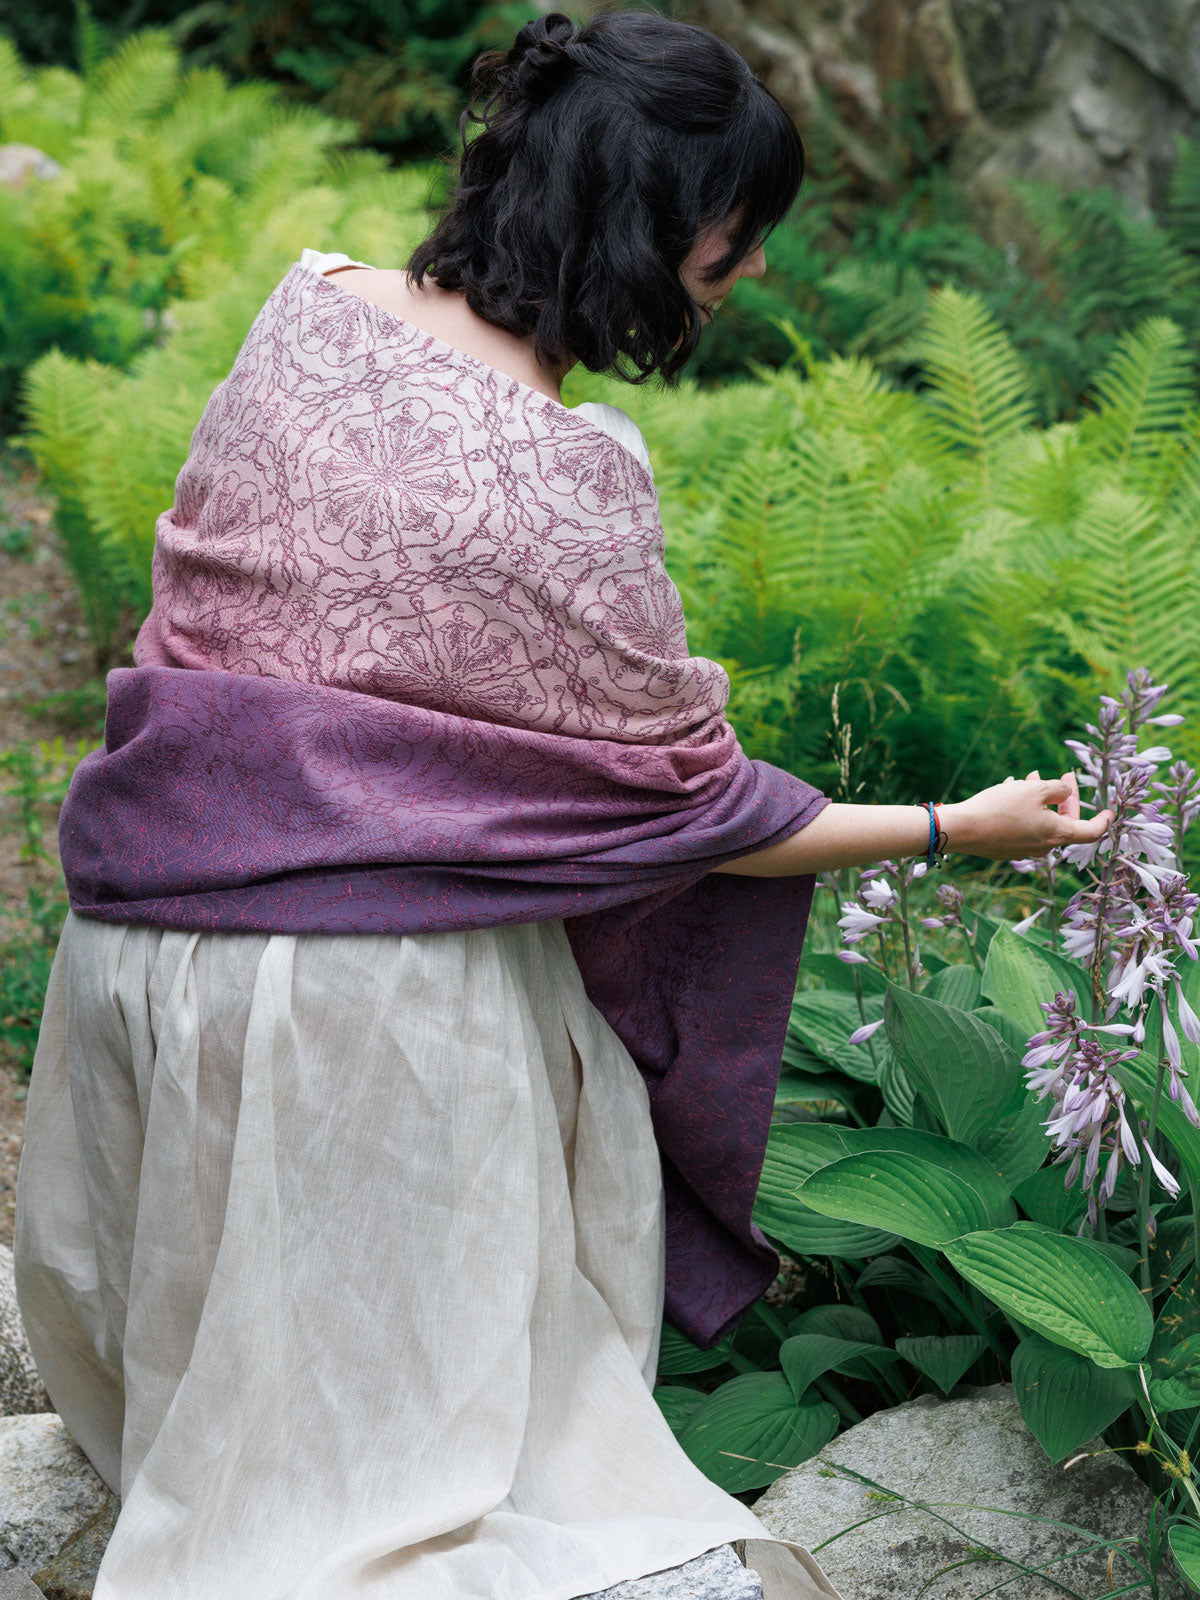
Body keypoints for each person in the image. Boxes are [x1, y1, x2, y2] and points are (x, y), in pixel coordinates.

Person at [13, 8, 1114, 1600]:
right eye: (734, 248)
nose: (741, 286)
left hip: (130, 976)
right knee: (433, 1498)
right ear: (658, 231)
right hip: (340, 1023)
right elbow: (699, 809)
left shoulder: (303, 313)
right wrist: (962, 828)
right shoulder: (562, 486)